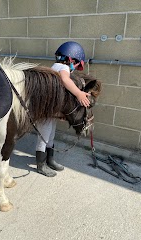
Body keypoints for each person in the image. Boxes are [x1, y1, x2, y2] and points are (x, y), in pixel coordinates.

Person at [36, 41, 90, 177]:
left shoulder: (55, 66)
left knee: (50, 135)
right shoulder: (63, 68)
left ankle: (49, 160)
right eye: (77, 65)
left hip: (49, 109)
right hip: (45, 111)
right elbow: (66, 81)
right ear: (71, 59)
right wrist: (79, 93)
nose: (75, 68)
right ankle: (41, 165)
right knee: (44, 137)